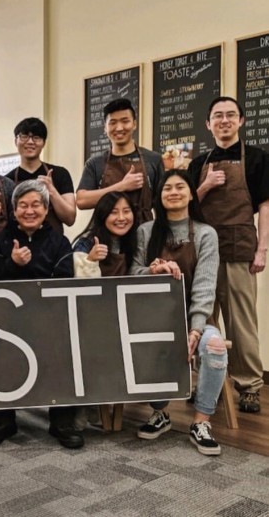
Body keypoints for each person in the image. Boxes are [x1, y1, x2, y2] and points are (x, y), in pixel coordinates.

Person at [131, 170, 227, 456]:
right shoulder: (145, 231)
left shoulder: (206, 233)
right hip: (153, 318)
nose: (173, 192)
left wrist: (195, 329)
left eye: (180, 187)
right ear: (159, 196)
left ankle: (201, 421)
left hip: (194, 317)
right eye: (167, 188)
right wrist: (153, 271)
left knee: (215, 345)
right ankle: (160, 412)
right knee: (144, 344)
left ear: (191, 194)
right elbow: (132, 272)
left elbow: (205, 287)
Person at [188, 96, 269, 414]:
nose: (224, 120)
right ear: (208, 124)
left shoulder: (258, 159)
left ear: (241, 121)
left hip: (239, 248)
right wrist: (206, 185)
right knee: (204, 320)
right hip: (202, 253)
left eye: (230, 115)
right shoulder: (198, 164)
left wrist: (262, 249)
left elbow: (265, 207)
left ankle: (249, 386)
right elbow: (185, 205)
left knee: (241, 323)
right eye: (218, 115)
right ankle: (208, 384)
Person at [0, 180, 73, 446]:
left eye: (36, 205)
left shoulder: (60, 241)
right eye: (23, 205)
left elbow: (65, 279)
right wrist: (13, 264)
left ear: (46, 210)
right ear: (14, 210)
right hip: (5, 321)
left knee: (64, 351)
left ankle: (61, 422)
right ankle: (3, 422)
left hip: (48, 319)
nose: (30, 211)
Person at [57, 191, 138, 449]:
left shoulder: (135, 241)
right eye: (114, 212)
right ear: (102, 216)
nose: (121, 217)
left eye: (126, 211)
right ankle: (84, 403)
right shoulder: (84, 242)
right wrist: (89, 261)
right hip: (90, 317)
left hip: (126, 315)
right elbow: (75, 288)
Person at [77, 98, 163, 224]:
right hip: (106, 231)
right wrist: (121, 186)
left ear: (134, 124)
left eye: (125, 121)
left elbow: (162, 203)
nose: (119, 128)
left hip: (144, 231)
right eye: (113, 122)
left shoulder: (154, 160)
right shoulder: (94, 163)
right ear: (105, 128)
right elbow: (81, 201)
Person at [6, 117, 76, 232]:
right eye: (24, 136)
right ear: (15, 141)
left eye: (36, 137)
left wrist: (52, 191)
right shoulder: (7, 180)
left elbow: (70, 218)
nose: (30, 142)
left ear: (44, 143)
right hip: (19, 241)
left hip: (54, 242)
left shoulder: (60, 174)